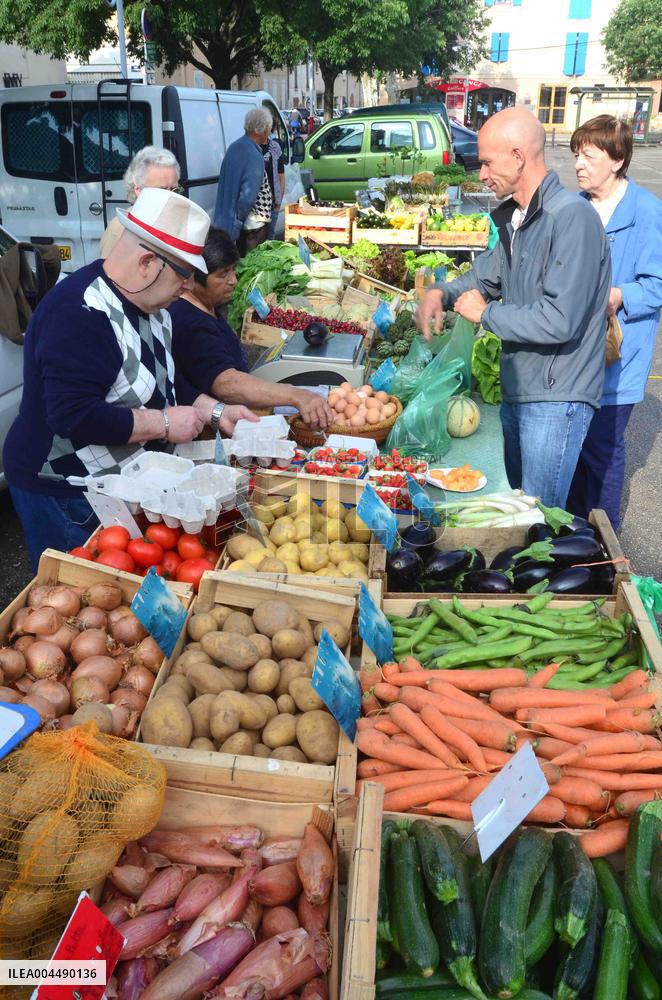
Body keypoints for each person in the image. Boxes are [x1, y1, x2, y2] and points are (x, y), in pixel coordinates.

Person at [3, 188, 255, 570]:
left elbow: (161, 381)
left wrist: (216, 411)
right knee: (83, 582)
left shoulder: (151, 302)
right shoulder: (79, 313)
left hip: (120, 479)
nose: (190, 286)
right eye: (185, 274)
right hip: (67, 488)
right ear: (147, 262)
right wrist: (166, 424)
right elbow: (73, 416)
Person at [417, 107, 611, 510]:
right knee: (516, 511)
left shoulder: (572, 220)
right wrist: (442, 292)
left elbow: (560, 320)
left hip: (556, 399)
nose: (482, 175)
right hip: (520, 388)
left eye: (487, 162)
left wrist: (486, 315)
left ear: (519, 157)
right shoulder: (516, 219)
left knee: (538, 517)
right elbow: (483, 278)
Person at [567, 116, 662, 530]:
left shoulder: (647, 211)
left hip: (617, 355)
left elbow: (657, 284)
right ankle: (569, 533)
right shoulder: (576, 208)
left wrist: (619, 295)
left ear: (618, 159)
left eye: (588, 155)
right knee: (573, 446)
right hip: (572, 354)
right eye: (575, 154)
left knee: (603, 447)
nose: (578, 164)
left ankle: (605, 543)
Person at [170, 228, 336, 429]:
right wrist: (296, 395)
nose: (233, 280)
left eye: (232, 270)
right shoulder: (189, 321)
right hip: (212, 430)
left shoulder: (207, 307)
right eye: (223, 274)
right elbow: (226, 383)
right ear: (193, 277)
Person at [213, 108, 284, 257]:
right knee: (251, 266)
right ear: (262, 129)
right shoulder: (253, 154)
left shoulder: (234, 147)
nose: (269, 133)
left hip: (235, 222)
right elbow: (248, 197)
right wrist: (238, 221)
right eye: (269, 129)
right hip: (253, 225)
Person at [99, 146, 181, 258]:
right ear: (138, 190)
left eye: (174, 190)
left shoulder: (178, 221)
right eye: (161, 190)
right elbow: (108, 273)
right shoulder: (120, 228)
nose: (170, 196)